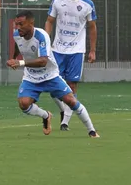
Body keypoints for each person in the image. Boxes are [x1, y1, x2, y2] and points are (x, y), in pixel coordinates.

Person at [7, 10, 99, 138]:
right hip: (31, 77)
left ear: (31, 23)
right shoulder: (17, 35)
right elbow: (18, 45)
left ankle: (92, 131)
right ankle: (46, 116)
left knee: (71, 101)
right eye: (16, 24)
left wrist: (20, 62)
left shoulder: (41, 36)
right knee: (23, 104)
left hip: (50, 75)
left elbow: (43, 61)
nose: (18, 27)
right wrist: (13, 57)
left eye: (21, 24)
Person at [45, 0, 97, 131]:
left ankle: (64, 122)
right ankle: (63, 109)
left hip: (76, 51)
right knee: (54, 87)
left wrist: (92, 50)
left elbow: (92, 27)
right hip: (57, 49)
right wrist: (46, 43)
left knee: (72, 85)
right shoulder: (58, 1)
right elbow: (49, 21)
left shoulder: (87, 4)